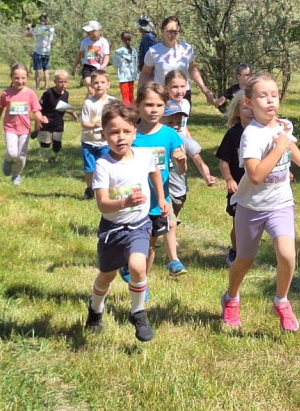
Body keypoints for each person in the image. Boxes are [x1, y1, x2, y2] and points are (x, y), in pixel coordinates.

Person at [221, 73, 300, 332]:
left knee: (287, 254)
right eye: (262, 96)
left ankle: (282, 301)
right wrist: (278, 148)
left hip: (280, 203)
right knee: (244, 260)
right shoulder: (251, 135)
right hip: (251, 207)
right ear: (250, 103)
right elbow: (255, 175)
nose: (270, 100)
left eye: (274, 94)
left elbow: (291, 146)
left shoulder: (283, 126)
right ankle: (231, 299)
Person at [83, 101, 168, 342]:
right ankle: (95, 310)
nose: (120, 138)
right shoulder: (103, 165)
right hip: (112, 230)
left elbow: (154, 172)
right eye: (113, 132)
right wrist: (125, 202)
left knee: (138, 266)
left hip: (139, 225)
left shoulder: (143, 155)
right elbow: (102, 204)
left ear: (134, 131)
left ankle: (138, 312)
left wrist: (161, 198)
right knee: (105, 277)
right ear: (104, 134)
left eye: (126, 131)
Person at [127, 83, 185, 284]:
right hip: (134, 201)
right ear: (137, 105)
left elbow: (180, 171)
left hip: (158, 202)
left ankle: (141, 283)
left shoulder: (170, 135)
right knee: (135, 246)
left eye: (159, 105)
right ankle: (132, 272)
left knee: (150, 245)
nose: (154, 110)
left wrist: (182, 161)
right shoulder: (130, 134)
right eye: (149, 104)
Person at [160, 99, 216, 276]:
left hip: (179, 193)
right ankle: (174, 262)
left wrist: (207, 175)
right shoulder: (156, 141)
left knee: (167, 224)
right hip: (160, 191)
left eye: (179, 122)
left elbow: (199, 161)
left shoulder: (184, 141)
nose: (175, 126)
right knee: (170, 222)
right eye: (170, 122)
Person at [138, 16, 218, 105]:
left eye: (175, 32)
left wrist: (205, 90)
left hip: (183, 95)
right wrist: (140, 94)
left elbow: (192, 69)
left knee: (181, 119)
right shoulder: (154, 51)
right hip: (162, 95)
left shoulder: (187, 49)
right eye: (169, 31)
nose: (172, 35)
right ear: (162, 31)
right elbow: (145, 73)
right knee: (163, 119)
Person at [0, 64, 48, 186]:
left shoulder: (31, 94)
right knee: (13, 153)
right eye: (16, 78)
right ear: (11, 77)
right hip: (10, 128)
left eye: (23, 78)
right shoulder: (7, 93)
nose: (20, 81)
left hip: (24, 130)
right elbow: (0, 109)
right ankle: (8, 159)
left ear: (27, 78)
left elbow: (36, 110)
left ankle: (16, 175)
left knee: (22, 156)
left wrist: (40, 118)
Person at [216, 90, 253, 267]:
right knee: (238, 223)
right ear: (237, 111)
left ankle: (247, 251)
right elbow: (224, 161)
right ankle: (235, 251)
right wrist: (229, 179)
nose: (251, 111)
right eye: (246, 107)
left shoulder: (264, 133)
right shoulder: (233, 134)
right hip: (239, 188)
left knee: (252, 225)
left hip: (258, 187)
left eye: (253, 106)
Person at [80, 71, 115, 200]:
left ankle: (104, 191)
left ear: (108, 85)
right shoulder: (88, 103)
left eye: (102, 82)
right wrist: (94, 126)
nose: (99, 85)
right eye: (96, 83)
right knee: (89, 168)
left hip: (105, 143)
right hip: (89, 142)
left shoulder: (112, 102)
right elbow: (84, 123)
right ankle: (89, 189)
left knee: (104, 167)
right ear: (91, 86)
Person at [37, 70, 78, 161]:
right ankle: (38, 136)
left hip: (58, 123)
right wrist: (38, 119)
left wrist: (72, 112)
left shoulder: (66, 94)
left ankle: (52, 160)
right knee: (45, 144)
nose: (63, 84)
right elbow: (39, 107)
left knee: (57, 145)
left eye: (65, 82)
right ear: (55, 81)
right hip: (46, 122)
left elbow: (62, 106)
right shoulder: (48, 93)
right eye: (60, 82)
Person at [72, 20, 110, 96]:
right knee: (91, 88)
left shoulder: (104, 42)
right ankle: (88, 106)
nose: (89, 34)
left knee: (98, 92)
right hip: (87, 68)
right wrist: (74, 67)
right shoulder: (84, 42)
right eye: (88, 32)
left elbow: (106, 56)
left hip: (99, 69)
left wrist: (103, 66)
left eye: (92, 31)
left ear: (97, 31)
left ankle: (89, 104)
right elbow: (80, 54)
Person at [26, 14, 56, 89]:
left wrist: (29, 28)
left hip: (38, 50)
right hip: (47, 51)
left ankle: (37, 86)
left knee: (38, 69)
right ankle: (46, 86)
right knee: (46, 69)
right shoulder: (51, 29)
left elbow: (28, 35)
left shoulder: (38, 29)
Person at [112, 31, 139, 106]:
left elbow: (116, 64)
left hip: (123, 76)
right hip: (132, 76)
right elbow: (136, 63)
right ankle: (133, 110)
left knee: (125, 97)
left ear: (121, 39)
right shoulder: (134, 51)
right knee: (131, 95)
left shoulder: (119, 52)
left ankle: (127, 112)